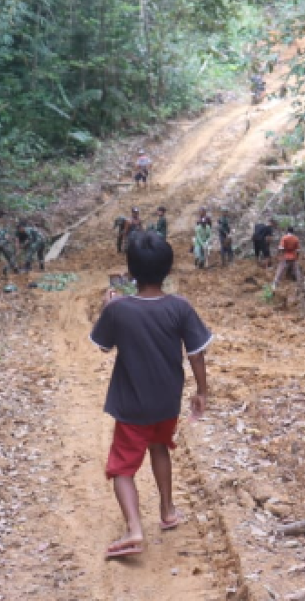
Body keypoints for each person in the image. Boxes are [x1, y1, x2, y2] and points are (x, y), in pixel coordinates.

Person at [90, 231, 211, 559]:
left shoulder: (120, 309)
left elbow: (103, 346)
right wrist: (201, 391)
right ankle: (168, 510)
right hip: (166, 402)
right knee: (160, 447)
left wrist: (108, 306)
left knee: (122, 468)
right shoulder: (180, 306)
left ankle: (134, 528)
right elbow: (197, 353)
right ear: (168, 270)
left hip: (131, 406)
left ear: (130, 271)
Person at [271, 225, 302, 289]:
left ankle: (275, 284)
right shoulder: (296, 238)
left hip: (285, 256)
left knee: (280, 270)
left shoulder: (284, 238)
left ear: (287, 231)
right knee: (297, 271)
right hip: (293, 257)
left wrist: (280, 255)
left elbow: (281, 248)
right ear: (293, 231)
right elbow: (298, 250)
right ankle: (300, 284)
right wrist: (297, 257)